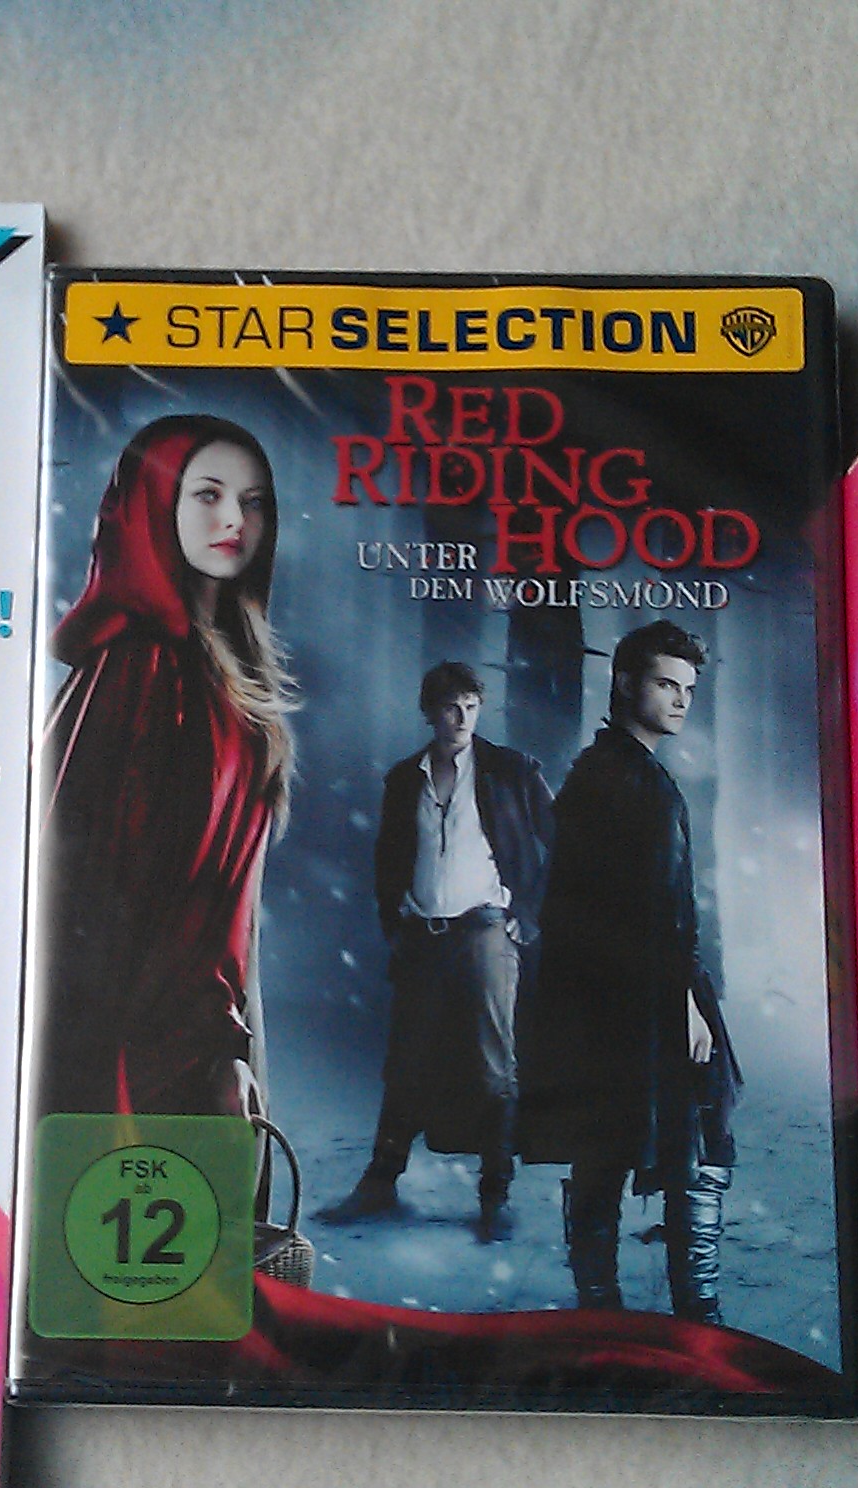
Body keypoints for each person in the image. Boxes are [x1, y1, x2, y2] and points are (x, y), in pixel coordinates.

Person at [35, 415, 296, 1117]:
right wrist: (213, 1046)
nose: (234, 518)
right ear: (156, 507)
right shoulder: (146, 671)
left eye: (253, 501)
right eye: (208, 494)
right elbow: (126, 897)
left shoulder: (217, 670)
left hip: (197, 1029)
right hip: (155, 1049)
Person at [519, 620, 742, 1322]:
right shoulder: (625, 780)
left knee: (610, 1143)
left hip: (614, 993)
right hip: (638, 993)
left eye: (688, 690)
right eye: (665, 684)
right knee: (691, 1131)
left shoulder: (606, 771)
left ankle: (607, 1311)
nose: (680, 701)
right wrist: (684, 1001)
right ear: (623, 683)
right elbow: (648, 907)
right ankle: (690, 1316)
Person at [323, 661, 553, 1240]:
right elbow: (388, 855)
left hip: (486, 930)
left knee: (495, 1065)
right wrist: (394, 920)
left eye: (471, 707)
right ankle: (379, 1184)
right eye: (450, 707)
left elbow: (560, 845)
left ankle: (495, 1196)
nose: (461, 719)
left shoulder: (511, 770)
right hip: (424, 935)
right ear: (429, 711)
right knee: (406, 1062)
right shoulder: (406, 779)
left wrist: (527, 916)